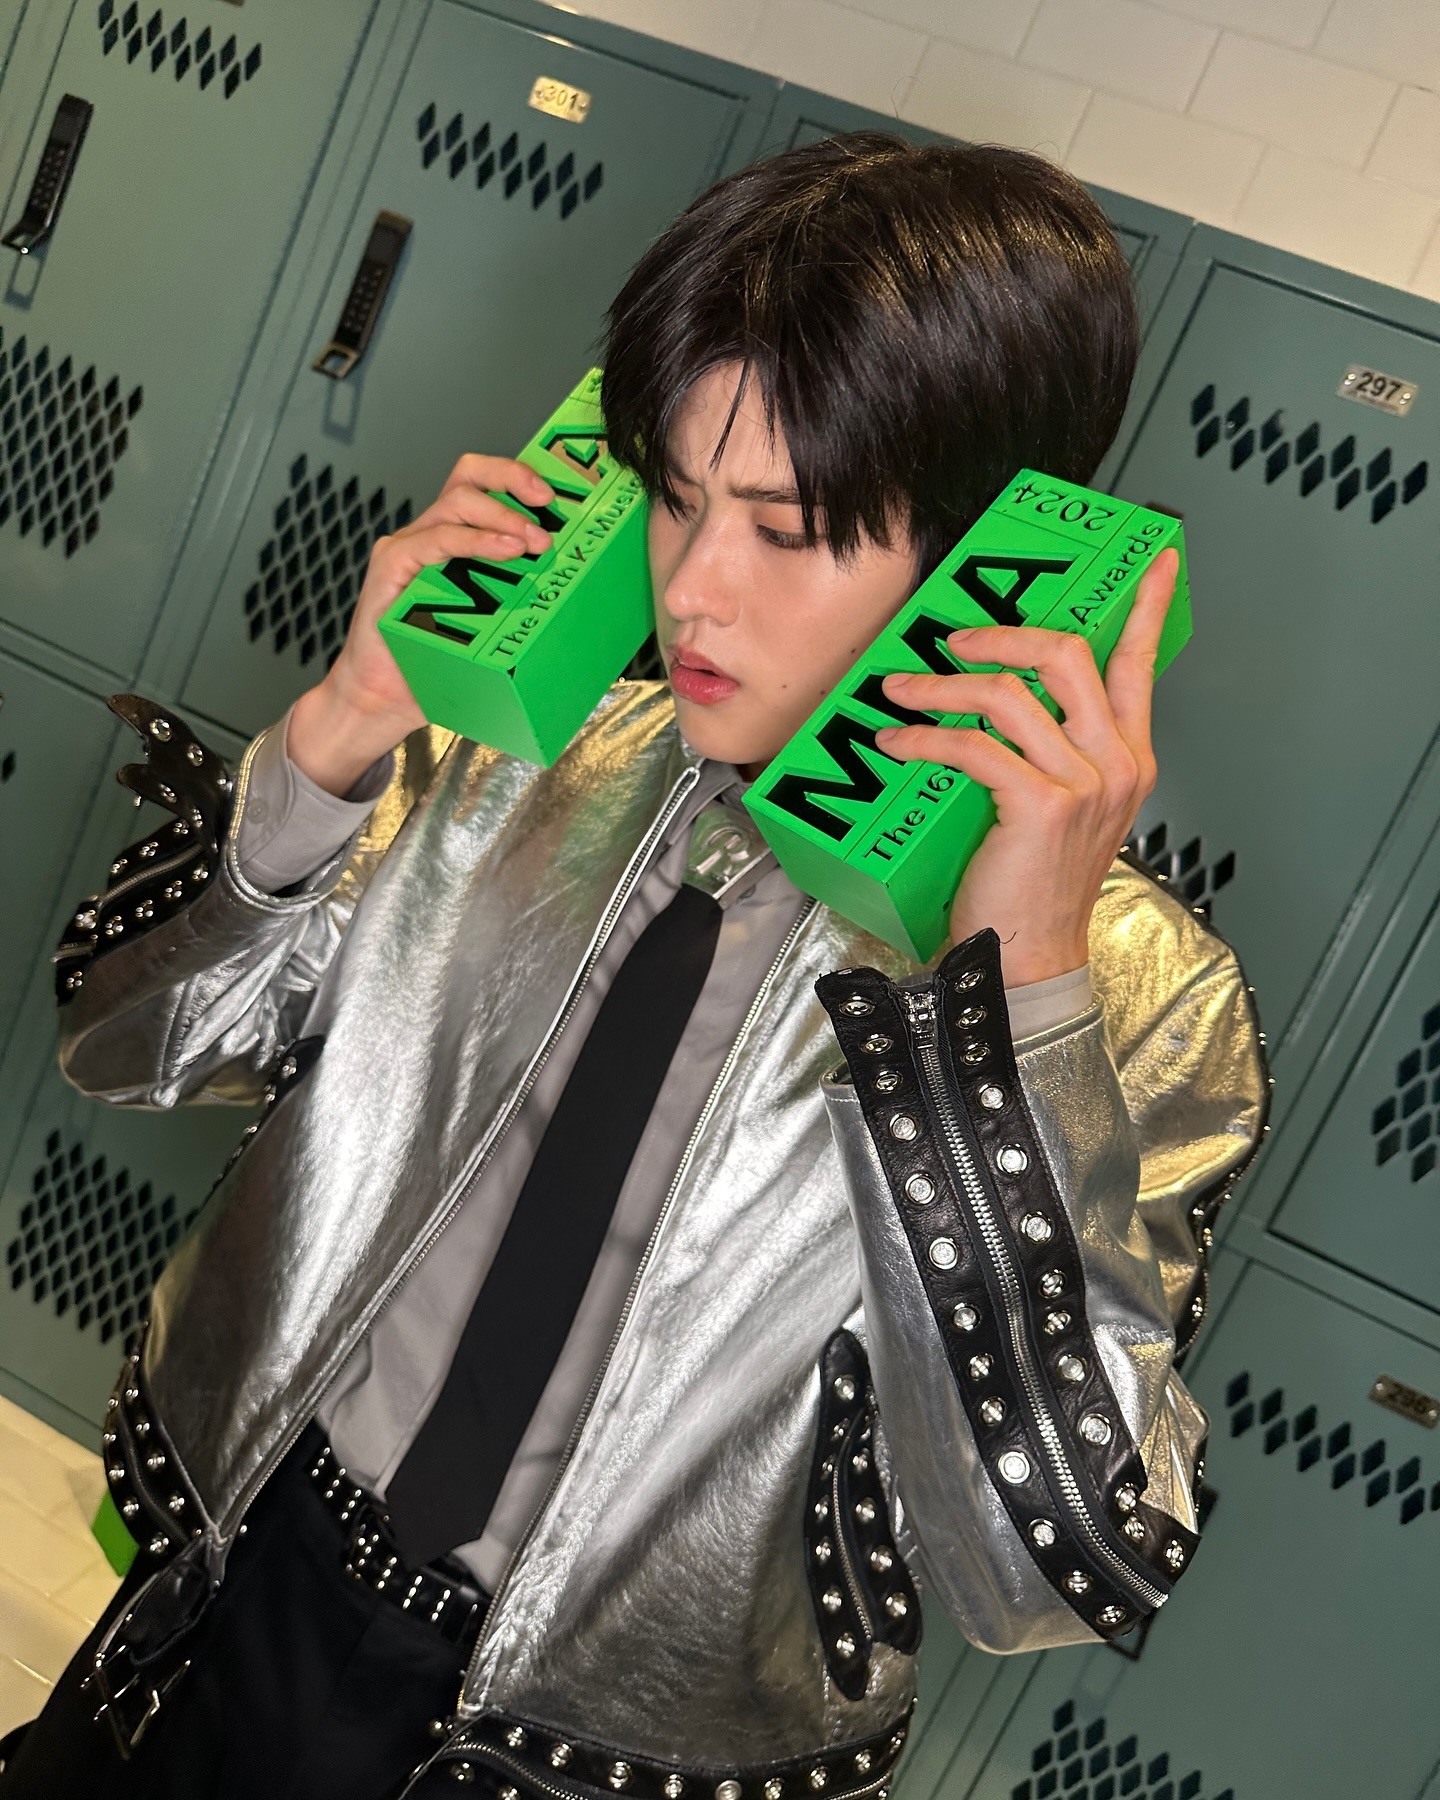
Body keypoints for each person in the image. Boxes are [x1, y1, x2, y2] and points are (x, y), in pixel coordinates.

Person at [3, 134, 1266, 1799]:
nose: (694, 591)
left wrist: (1013, 996)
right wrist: (338, 734)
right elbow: (124, 1040)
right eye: (674, 498)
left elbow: (1047, 1568)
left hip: (596, 1746)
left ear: (989, 562)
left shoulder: (1142, 995)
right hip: (244, 1584)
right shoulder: (514, 752)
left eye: (787, 529)